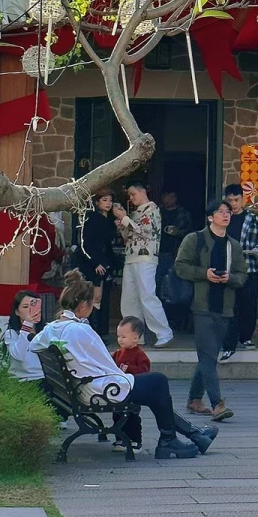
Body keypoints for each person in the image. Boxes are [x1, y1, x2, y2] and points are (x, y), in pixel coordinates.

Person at [31, 272, 215, 458]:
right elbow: (109, 366)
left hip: (80, 388)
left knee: (152, 388)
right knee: (157, 382)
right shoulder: (81, 330)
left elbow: (34, 344)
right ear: (84, 305)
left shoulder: (51, 328)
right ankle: (172, 439)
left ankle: (193, 435)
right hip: (97, 391)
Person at [175, 198, 247, 422]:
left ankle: (194, 399)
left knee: (208, 355)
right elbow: (180, 266)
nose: (226, 215)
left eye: (228, 212)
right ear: (210, 217)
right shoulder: (194, 239)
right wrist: (203, 274)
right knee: (208, 356)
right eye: (220, 211)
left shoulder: (233, 245)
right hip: (201, 306)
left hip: (224, 308)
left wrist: (229, 278)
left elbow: (243, 275)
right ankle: (217, 404)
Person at [220, 182, 258, 360]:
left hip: (250, 268)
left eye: (236, 200)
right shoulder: (222, 219)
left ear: (243, 199)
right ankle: (228, 342)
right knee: (229, 306)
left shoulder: (253, 219)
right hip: (229, 270)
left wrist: (257, 249)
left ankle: (246, 338)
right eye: (230, 200)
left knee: (248, 305)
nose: (234, 204)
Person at [120, 180, 173, 346]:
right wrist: (123, 223)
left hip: (146, 257)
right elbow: (127, 236)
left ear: (142, 192)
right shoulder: (136, 212)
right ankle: (134, 335)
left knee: (147, 295)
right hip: (130, 257)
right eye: (129, 195)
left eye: (133, 194)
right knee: (129, 299)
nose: (131, 198)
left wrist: (124, 218)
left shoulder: (153, 209)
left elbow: (145, 231)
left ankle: (164, 332)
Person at [74, 191, 123, 335]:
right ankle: (92, 330)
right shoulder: (91, 218)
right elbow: (86, 243)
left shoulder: (109, 221)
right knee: (94, 297)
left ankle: (102, 331)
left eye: (110, 200)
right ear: (97, 202)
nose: (108, 203)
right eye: (104, 200)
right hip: (92, 264)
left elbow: (108, 244)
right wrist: (95, 262)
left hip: (105, 263)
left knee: (103, 298)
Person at [158, 189, 194, 332]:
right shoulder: (157, 213)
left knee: (178, 290)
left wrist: (177, 232)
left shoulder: (183, 213)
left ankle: (179, 322)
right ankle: (164, 321)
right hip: (159, 254)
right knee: (159, 288)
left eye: (172, 196)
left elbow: (190, 232)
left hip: (177, 255)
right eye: (167, 195)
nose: (169, 199)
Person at [4, 290, 46, 382]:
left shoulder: (46, 331)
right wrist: (27, 326)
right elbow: (18, 355)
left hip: (46, 378)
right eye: (25, 307)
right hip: (24, 379)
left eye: (34, 306)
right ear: (17, 312)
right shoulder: (11, 334)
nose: (30, 310)